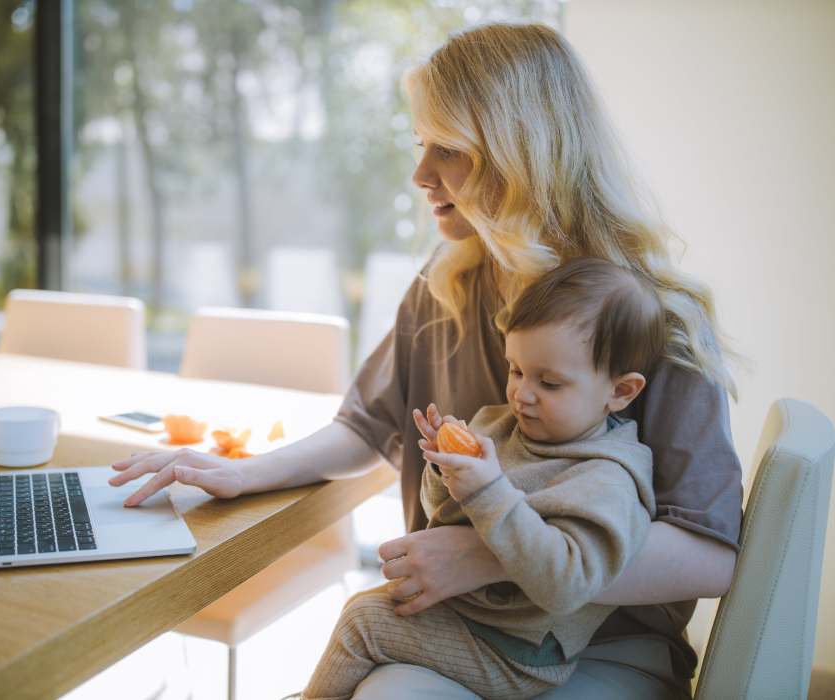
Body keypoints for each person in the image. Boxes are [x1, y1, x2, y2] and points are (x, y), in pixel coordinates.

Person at [109, 22, 742, 698]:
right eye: (421, 145)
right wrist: (245, 472)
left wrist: (490, 554)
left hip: (603, 647)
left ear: (521, 154)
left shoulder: (652, 320)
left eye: (450, 150)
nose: (420, 175)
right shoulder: (446, 284)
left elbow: (709, 557)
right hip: (462, 622)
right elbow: (367, 427)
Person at [301, 258, 665, 700]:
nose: (521, 395)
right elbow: (445, 515)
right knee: (366, 608)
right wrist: (445, 468)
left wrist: (489, 491)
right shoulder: (502, 425)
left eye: (549, 383)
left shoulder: (607, 477)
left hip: (518, 653)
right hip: (471, 617)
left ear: (621, 391)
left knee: (363, 624)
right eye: (516, 370)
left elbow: (567, 583)